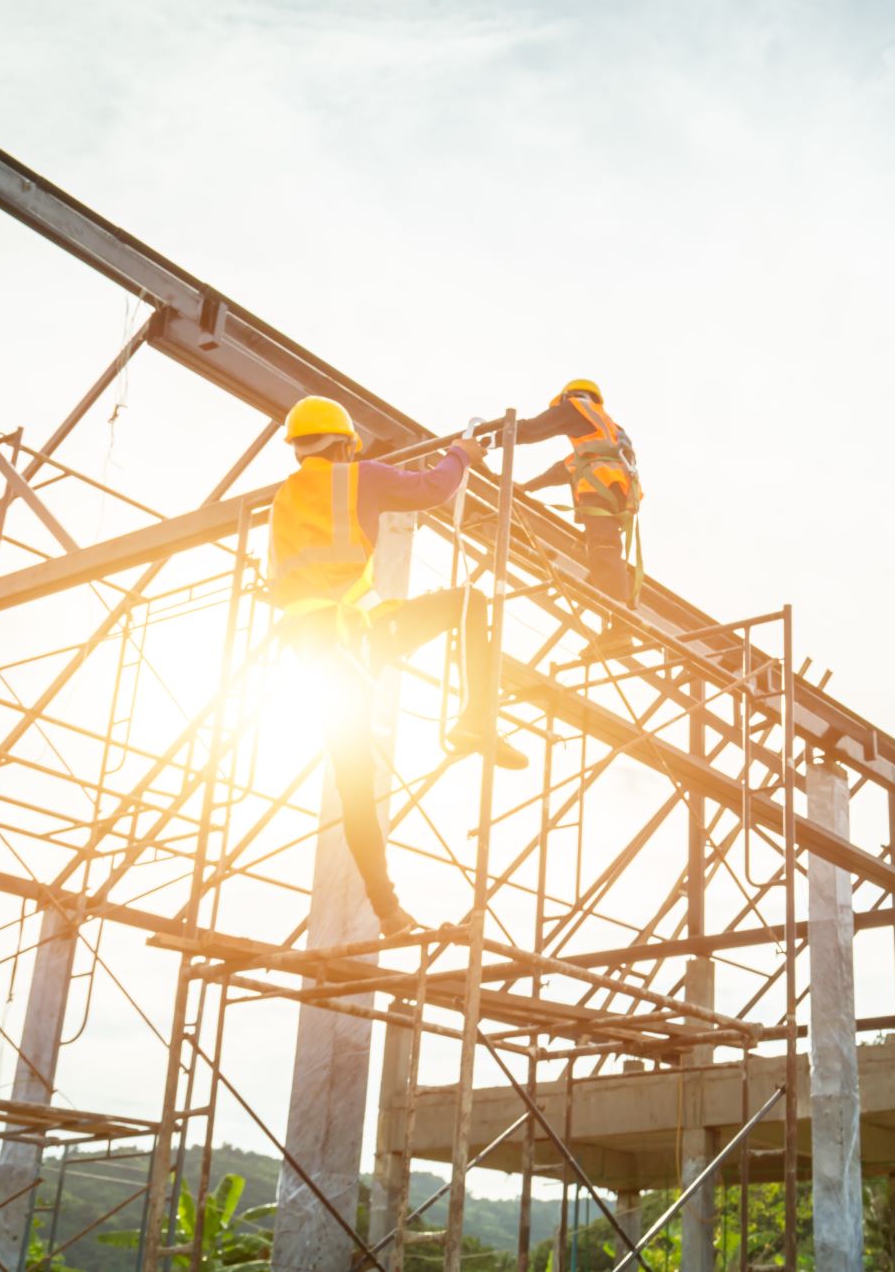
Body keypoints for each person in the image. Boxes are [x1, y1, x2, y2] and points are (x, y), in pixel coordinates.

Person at [268, 395, 528, 937]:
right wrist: (460, 453)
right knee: (468, 603)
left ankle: (388, 913)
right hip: (356, 638)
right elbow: (433, 489)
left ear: (297, 448)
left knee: (354, 783)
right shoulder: (358, 477)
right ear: (343, 443)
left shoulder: (282, 501)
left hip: (319, 653)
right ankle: (476, 718)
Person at [516, 379, 643, 655]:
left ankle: (621, 627)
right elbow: (564, 469)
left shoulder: (575, 407)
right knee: (602, 552)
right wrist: (526, 487)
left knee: (604, 552)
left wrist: (488, 437)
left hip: (602, 491)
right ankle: (615, 626)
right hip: (616, 494)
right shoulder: (606, 431)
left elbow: (531, 429)